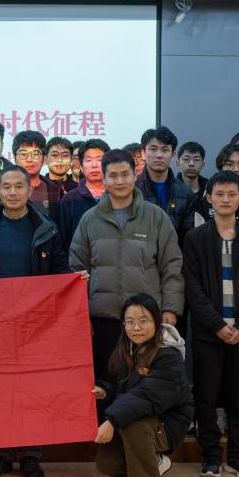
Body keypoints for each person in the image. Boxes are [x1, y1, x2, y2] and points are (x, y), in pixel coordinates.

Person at [0, 167, 73, 477]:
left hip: (36, 323)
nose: (13, 192)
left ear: (30, 191)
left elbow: (59, 268)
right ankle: (0, 453)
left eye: (19, 186)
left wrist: (73, 281)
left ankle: (31, 454)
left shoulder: (46, 228)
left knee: (33, 388)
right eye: (7, 187)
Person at [182, 170, 239, 477]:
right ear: (209, 198)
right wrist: (218, 325)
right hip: (209, 333)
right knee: (206, 396)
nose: (225, 199)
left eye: (232, 194)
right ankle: (210, 456)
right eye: (219, 194)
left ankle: (238, 456)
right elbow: (193, 289)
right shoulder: (195, 239)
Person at [69, 149, 184, 380]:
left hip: (145, 320)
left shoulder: (156, 217)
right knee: (105, 383)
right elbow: (77, 270)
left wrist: (171, 309)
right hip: (102, 321)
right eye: (113, 175)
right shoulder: (89, 219)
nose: (120, 181)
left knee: (142, 384)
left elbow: (172, 266)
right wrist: (81, 316)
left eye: (125, 174)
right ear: (104, 178)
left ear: (135, 175)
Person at [93, 294, 193, 477]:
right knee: (108, 464)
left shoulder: (169, 355)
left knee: (133, 418)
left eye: (143, 321)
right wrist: (104, 390)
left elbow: (145, 396)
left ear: (156, 321)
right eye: (129, 322)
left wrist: (111, 420)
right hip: (137, 415)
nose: (136, 327)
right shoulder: (126, 349)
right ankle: (155, 463)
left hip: (167, 423)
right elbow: (115, 381)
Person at [136, 126, 196, 244]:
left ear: (173, 155)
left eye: (165, 150)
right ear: (143, 153)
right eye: (153, 149)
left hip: (174, 254)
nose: (159, 155)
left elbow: (188, 238)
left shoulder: (186, 194)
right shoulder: (132, 190)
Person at [58, 138, 110, 248]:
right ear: (81, 167)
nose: (94, 165)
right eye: (88, 160)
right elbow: (63, 241)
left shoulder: (118, 196)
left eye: (99, 160)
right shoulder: (70, 200)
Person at [12, 130, 63, 223]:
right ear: (15, 158)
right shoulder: (3, 189)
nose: (29, 159)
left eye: (35, 154)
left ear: (44, 158)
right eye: (23, 154)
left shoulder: (56, 190)